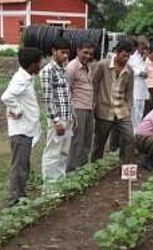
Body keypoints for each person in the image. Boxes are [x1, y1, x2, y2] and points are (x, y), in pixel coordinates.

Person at [0, 47, 43, 206]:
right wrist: (17, 110)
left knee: (23, 166)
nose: (41, 65)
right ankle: (14, 201)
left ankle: (20, 196)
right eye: (39, 62)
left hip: (26, 129)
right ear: (32, 64)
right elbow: (6, 96)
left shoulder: (26, 78)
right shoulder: (20, 79)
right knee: (19, 167)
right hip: (21, 131)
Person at [91, 39, 136, 163]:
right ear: (117, 52)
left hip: (122, 110)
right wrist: (94, 104)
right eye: (124, 55)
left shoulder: (129, 71)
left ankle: (125, 164)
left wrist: (128, 106)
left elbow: (129, 91)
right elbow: (94, 85)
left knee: (129, 137)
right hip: (104, 110)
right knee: (100, 142)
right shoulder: (103, 65)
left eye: (128, 56)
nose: (126, 58)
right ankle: (94, 167)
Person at [40, 37, 72, 185]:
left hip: (67, 118)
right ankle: (50, 189)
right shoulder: (48, 71)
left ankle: (60, 183)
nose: (65, 56)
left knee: (63, 153)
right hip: (57, 120)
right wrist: (57, 122)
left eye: (67, 53)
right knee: (52, 154)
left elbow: (67, 95)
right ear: (53, 51)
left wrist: (72, 117)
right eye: (62, 52)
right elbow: (48, 99)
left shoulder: (63, 69)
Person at [65, 41, 95, 171]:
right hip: (78, 109)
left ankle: (82, 171)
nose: (88, 56)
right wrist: (71, 113)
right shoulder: (72, 68)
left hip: (88, 108)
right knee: (77, 142)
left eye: (90, 53)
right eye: (85, 53)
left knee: (87, 141)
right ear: (78, 51)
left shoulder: (88, 67)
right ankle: (72, 172)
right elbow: (67, 90)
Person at [129, 36, 149, 134]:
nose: (144, 51)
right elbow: (130, 69)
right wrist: (140, 73)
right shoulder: (132, 57)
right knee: (135, 112)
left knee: (141, 112)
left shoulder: (142, 58)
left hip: (142, 88)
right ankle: (133, 133)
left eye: (146, 49)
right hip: (135, 88)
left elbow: (146, 71)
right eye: (143, 48)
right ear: (138, 46)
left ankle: (139, 132)